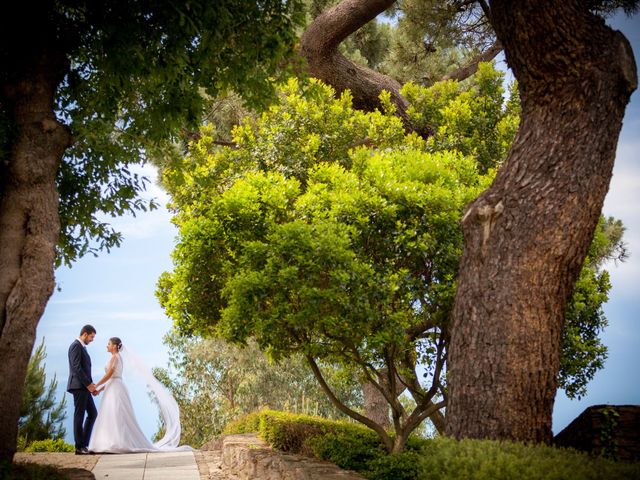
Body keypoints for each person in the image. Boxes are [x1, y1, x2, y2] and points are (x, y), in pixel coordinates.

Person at [88, 337, 190, 453]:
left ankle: (117, 442)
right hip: (113, 387)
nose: (107, 346)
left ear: (115, 346)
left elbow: (110, 374)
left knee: (117, 414)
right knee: (111, 413)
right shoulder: (117, 358)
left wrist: (95, 386)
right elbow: (112, 379)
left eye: (109, 344)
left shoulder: (115, 358)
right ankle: (111, 441)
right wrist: (100, 390)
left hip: (115, 389)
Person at [67, 324, 98, 455]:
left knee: (92, 413)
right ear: (85, 334)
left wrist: (91, 386)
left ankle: (84, 444)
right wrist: (89, 385)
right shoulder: (75, 346)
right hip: (79, 386)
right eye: (91, 336)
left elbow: (83, 368)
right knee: (79, 415)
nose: (92, 339)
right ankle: (79, 447)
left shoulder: (82, 347)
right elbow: (76, 368)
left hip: (84, 387)